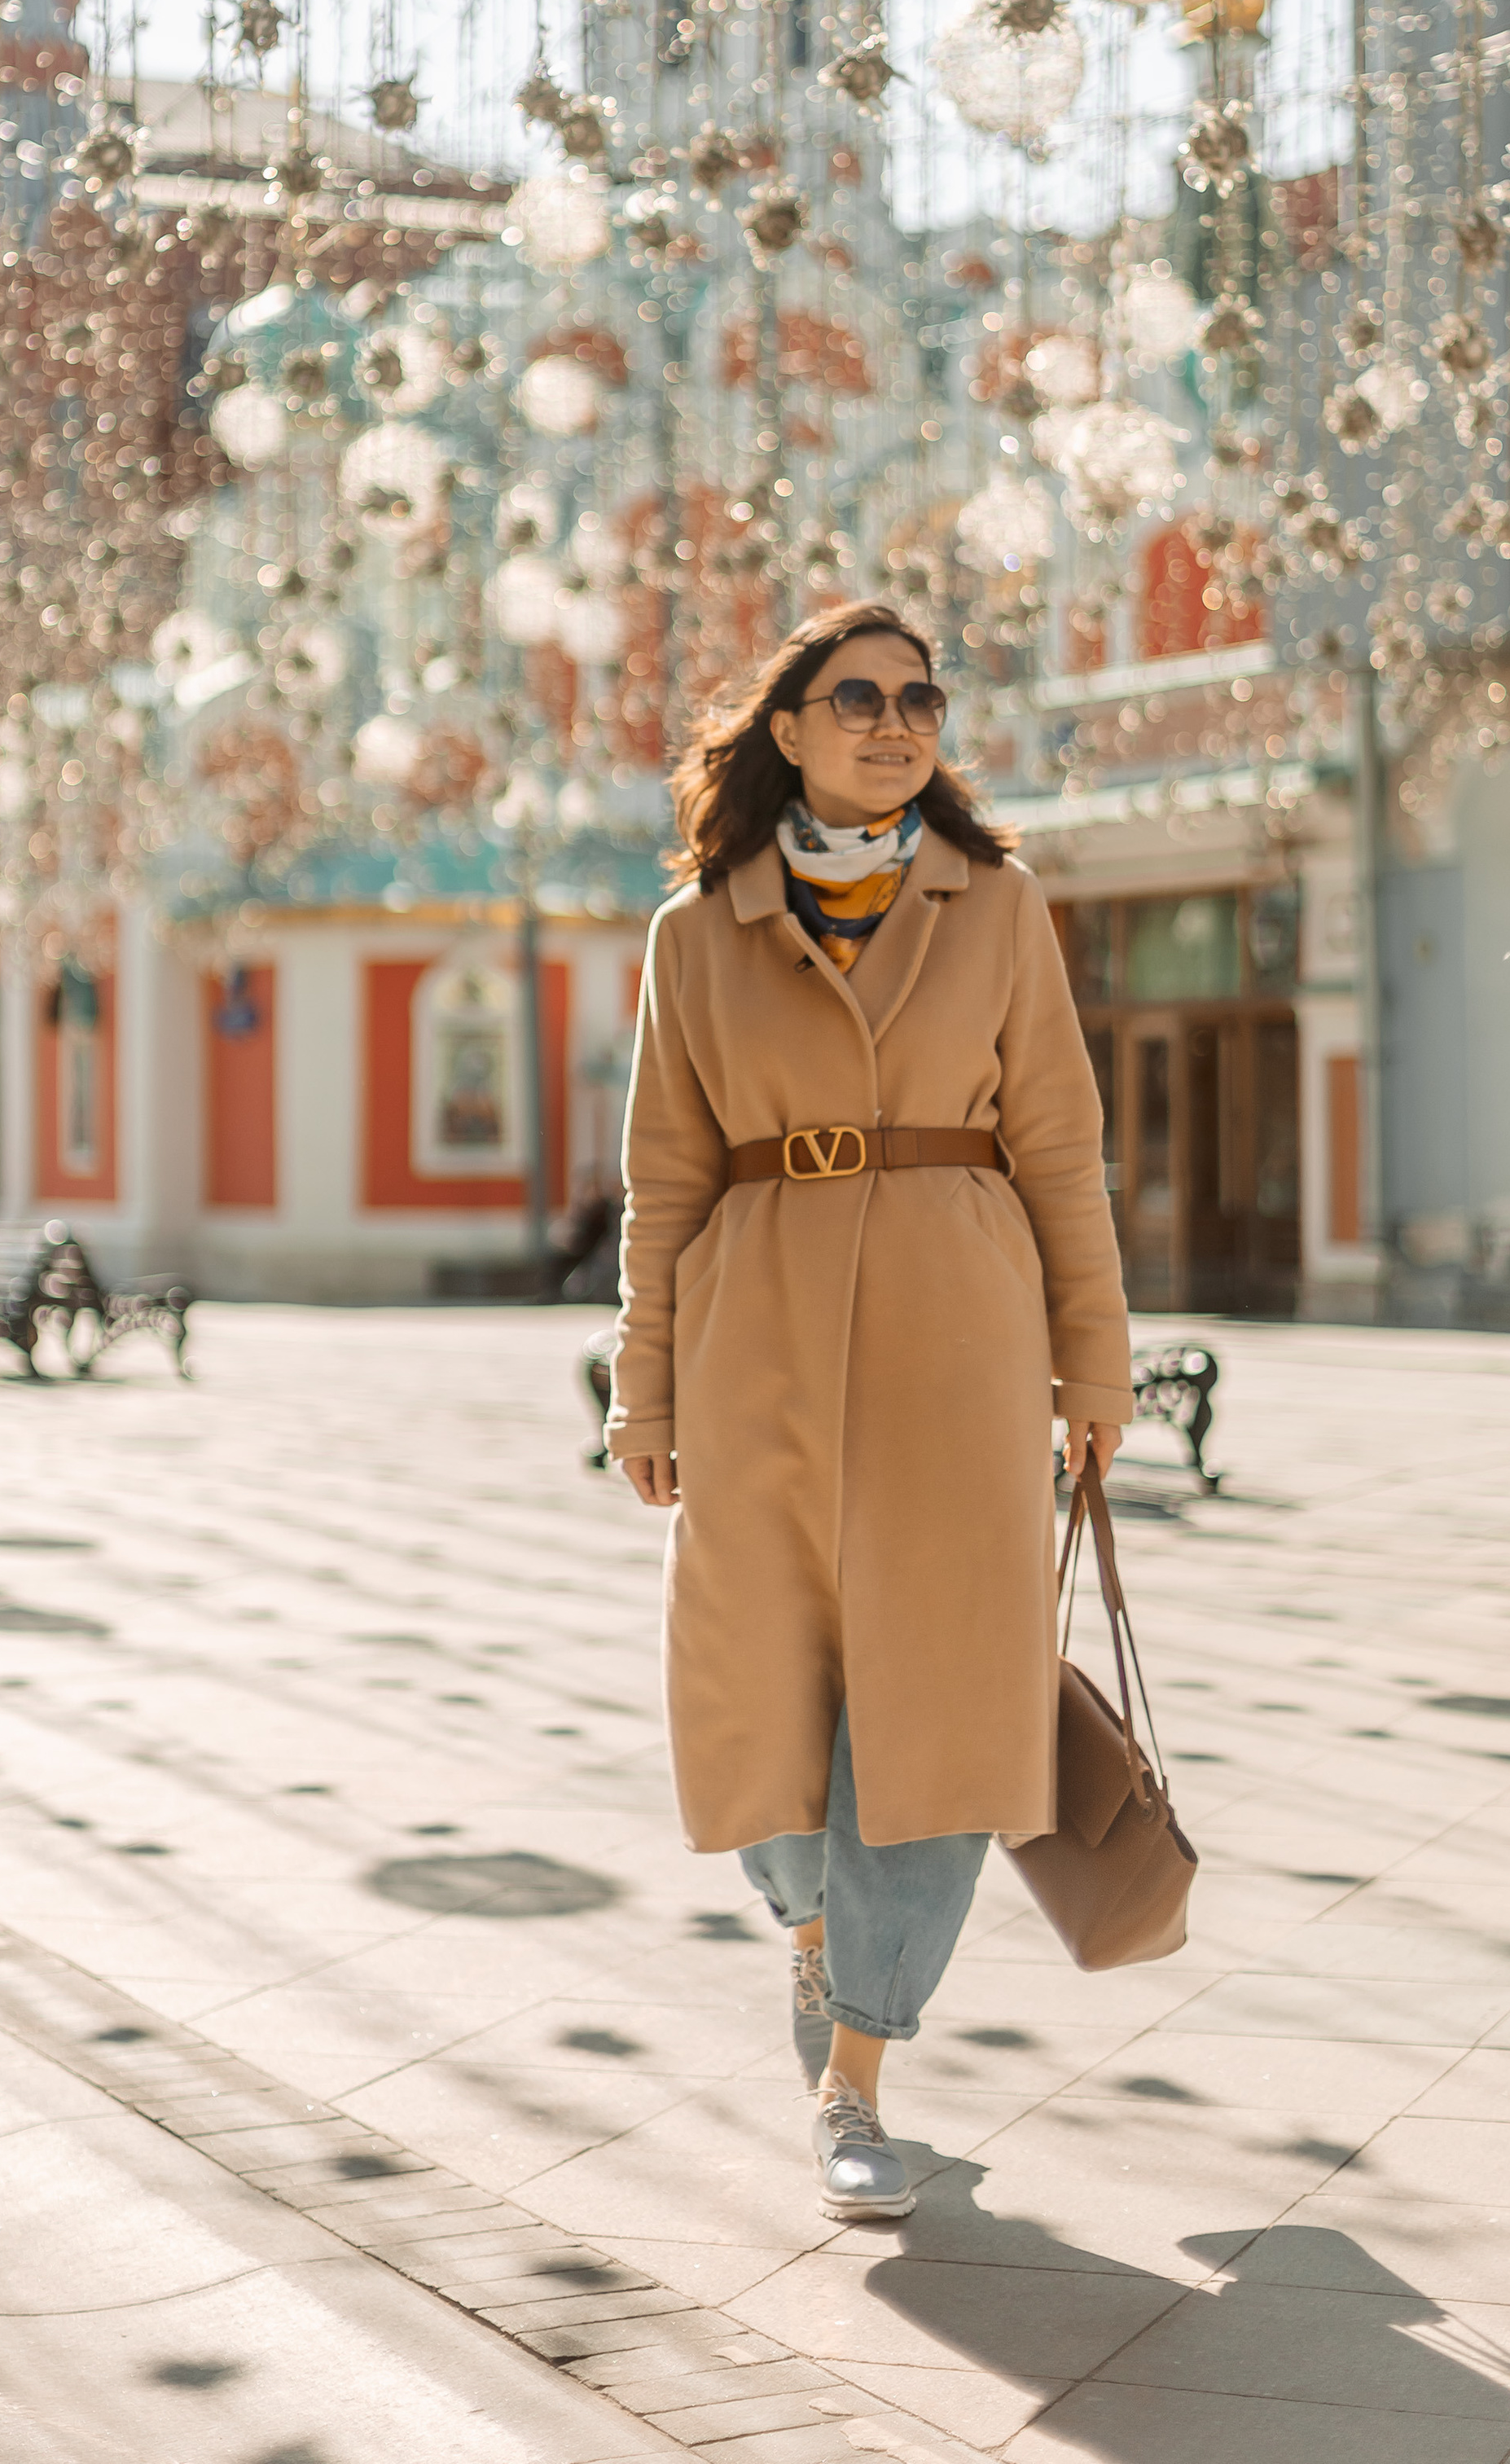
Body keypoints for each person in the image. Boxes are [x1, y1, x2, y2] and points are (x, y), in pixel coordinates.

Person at [608, 600, 1131, 2224]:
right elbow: (661, 1180)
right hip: (751, 1336)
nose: (894, 720)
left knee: (935, 1712)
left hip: (951, 1344)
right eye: (857, 697)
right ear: (787, 729)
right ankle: (814, 1928)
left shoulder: (1000, 908)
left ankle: (853, 2079)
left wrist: (1089, 1364)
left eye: (919, 694)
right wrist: (646, 1385)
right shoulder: (694, 934)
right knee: (756, 1686)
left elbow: (1056, 1147)